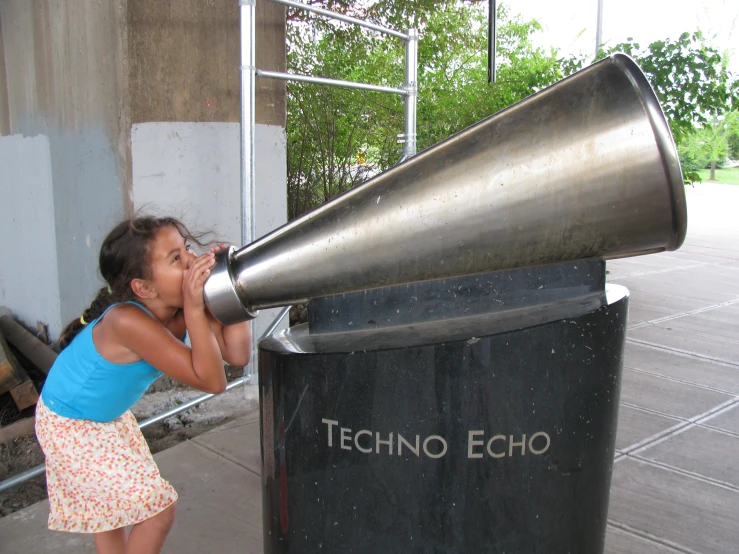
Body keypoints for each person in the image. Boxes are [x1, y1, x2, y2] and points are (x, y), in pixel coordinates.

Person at [35, 216, 252, 554]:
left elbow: (237, 355)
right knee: (156, 510)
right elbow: (212, 381)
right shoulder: (126, 321)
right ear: (145, 288)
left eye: (188, 249)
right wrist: (196, 310)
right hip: (70, 422)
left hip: (105, 415)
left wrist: (230, 289)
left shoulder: (181, 309)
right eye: (176, 259)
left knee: (113, 511)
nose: (192, 261)